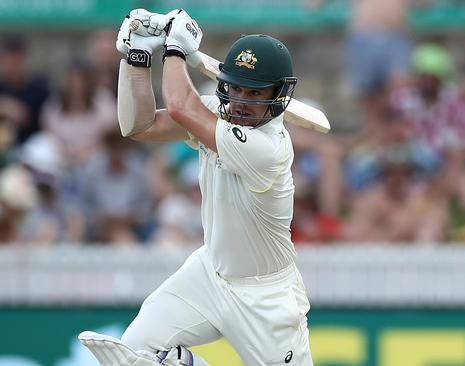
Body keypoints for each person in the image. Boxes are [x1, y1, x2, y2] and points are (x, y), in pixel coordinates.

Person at [79, 8, 312, 366]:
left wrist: (174, 50)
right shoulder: (213, 115)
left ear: (278, 95)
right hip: (209, 275)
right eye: (234, 87)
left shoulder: (270, 149)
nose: (240, 102)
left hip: (266, 297)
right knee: (135, 354)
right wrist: (136, 58)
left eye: (254, 93)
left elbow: (179, 105)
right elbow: (137, 126)